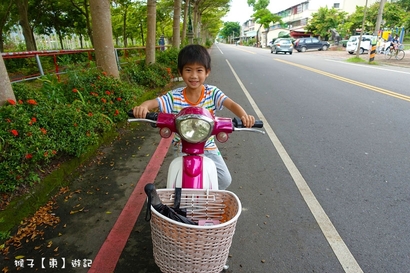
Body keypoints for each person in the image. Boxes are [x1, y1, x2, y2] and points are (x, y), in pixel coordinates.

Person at [132, 45, 255, 190]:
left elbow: (232, 104)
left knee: (224, 179)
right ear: (181, 72)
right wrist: (143, 107)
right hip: (182, 146)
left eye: (199, 70)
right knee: (179, 184)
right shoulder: (174, 96)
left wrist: (244, 116)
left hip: (208, 146)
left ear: (207, 72)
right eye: (188, 70)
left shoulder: (213, 92)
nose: (194, 76)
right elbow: (154, 102)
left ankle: (205, 199)